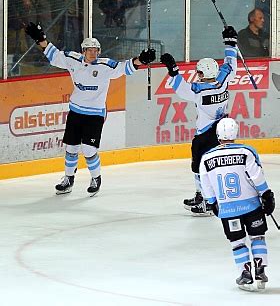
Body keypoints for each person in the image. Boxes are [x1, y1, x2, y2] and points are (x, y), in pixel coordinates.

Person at [25, 22, 156, 196]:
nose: (93, 53)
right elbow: (53, 54)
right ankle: (68, 179)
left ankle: (96, 178)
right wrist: (40, 39)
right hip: (76, 111)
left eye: (96, 50)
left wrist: (141, 60)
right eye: (90, 50)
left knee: (88, 149)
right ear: (83, 51)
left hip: (94, 114)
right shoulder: (72, 60)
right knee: (71, 147)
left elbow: (124, 67)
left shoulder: (105, 66)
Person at [160, 26, 238, 216]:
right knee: (214, 164)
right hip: (221, 129)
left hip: (205, 134)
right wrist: (230, 43)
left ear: (201, 74)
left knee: (199, 166)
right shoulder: (225, 79)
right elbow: (231, 64)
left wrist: (173, 70)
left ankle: (205, 200)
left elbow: (180, 87)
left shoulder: (198, 90)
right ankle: (207, 196)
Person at [199, 117, 275, 290]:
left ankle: (245, 272)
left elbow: (206, 183)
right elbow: (257, 176)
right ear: (235, 132)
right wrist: (266, 194)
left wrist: (212, 202)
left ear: (218, 134)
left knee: (237, 241)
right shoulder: (246, 151)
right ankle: (260, 269)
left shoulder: (207, 158)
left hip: (228, 209)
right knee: (257, 236)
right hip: (252, 206)